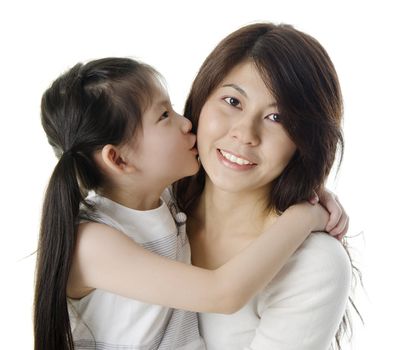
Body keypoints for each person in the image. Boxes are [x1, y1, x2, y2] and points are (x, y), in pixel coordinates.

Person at [34, 57, 345, 350]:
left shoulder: (165, 204)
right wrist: (303, 217)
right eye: (164, 115)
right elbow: (223, 294)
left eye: (276, 117)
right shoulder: (93, 244)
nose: (186, 123)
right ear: (118, 159)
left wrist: (306, 186)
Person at [174, 23, 352, 350]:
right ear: (200, 100)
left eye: (277, 118)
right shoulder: (153, 210)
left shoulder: (313, 264)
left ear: (305, 142)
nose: (245, 134)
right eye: (232, 101)